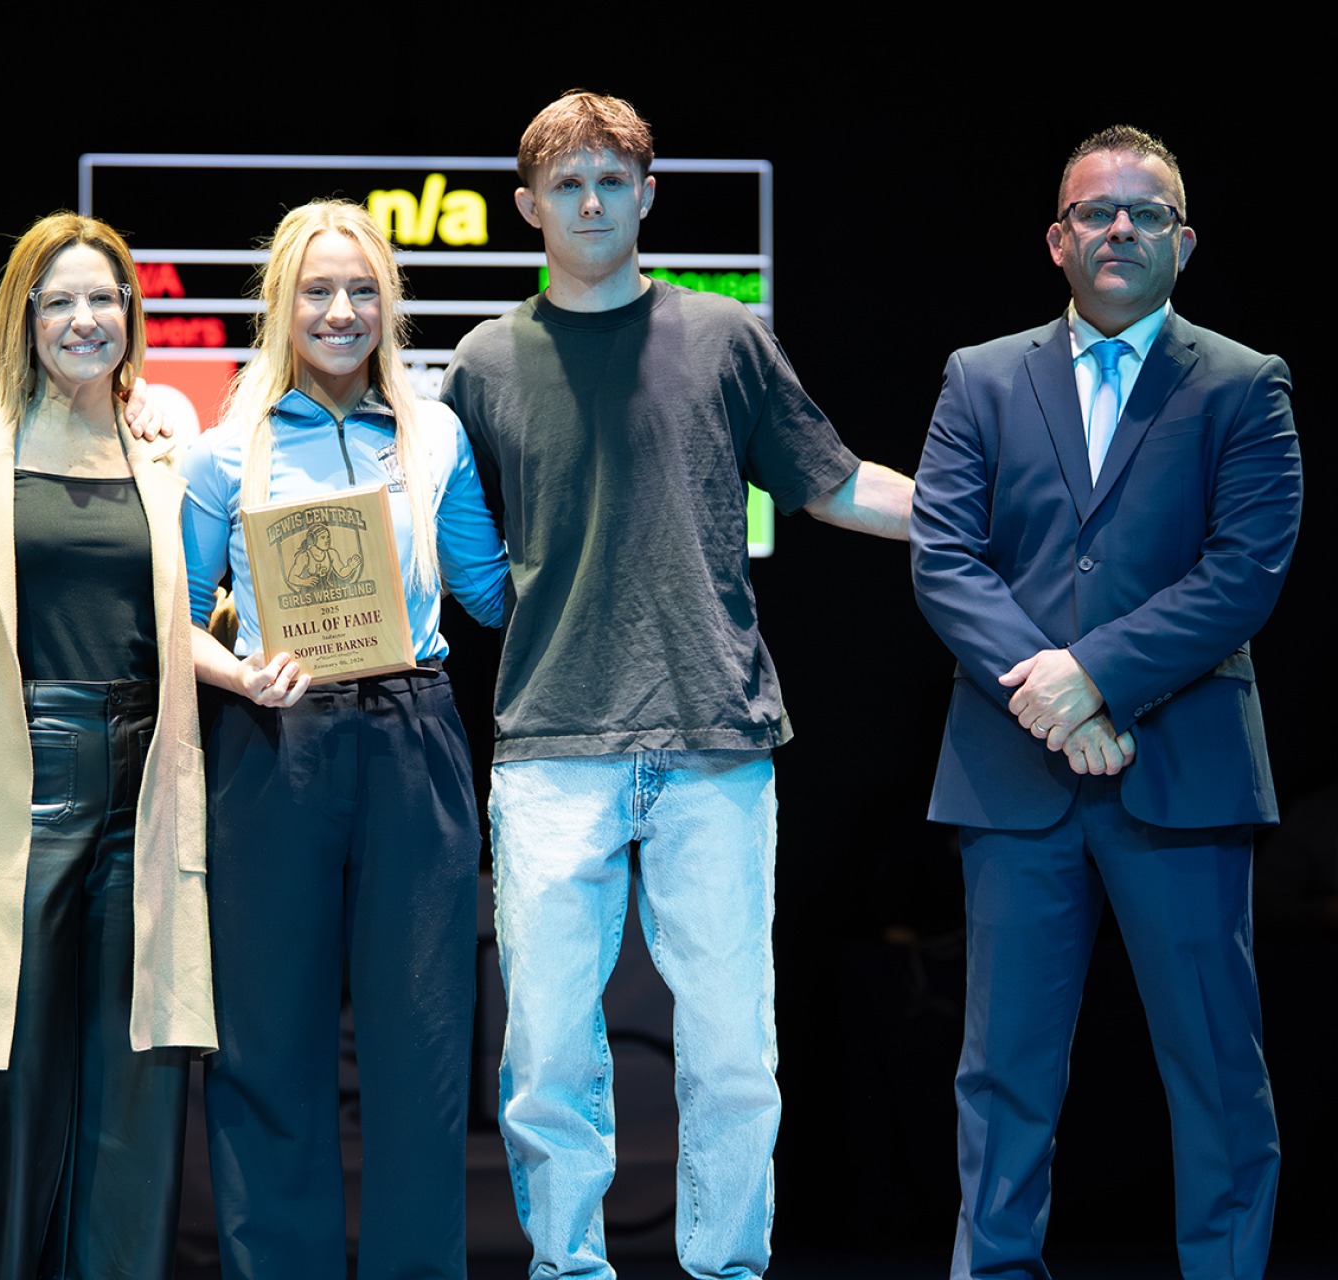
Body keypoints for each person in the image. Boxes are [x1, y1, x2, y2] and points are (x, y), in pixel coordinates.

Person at [438, 92, 914, 1280]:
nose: (590, 200)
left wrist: (985, 515)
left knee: (734, 1052)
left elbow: (830, 479)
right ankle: (568, 1266)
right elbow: (434, 539)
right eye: (568, 184)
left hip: (715, 734)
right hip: (550, 741)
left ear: (647, 195)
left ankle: (727, 1267)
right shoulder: (485, 362)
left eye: (612, 179)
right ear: (528, 205)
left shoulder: (724, 334)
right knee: (546, 1049)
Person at [910, 125, 1298, 1280]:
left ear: (1185, 240)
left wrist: (1097, 676)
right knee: (1004, 1073)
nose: (1118, 226)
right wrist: (1051, 691)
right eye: (1095, 211)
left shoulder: (1243, 380)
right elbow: (944, 554)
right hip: (1015, 772)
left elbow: (1248, 567)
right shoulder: (981, 374)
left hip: (1182, 769)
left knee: (1217, 1065)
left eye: (1145, 210)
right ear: (1056, 240)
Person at [181, 199, 508, 1279]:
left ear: (389, 305)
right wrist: (241, 669)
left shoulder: (437, 433)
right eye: (317, 290)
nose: (340, 310)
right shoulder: (225, 452)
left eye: (362, 289)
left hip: (414, 738)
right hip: (274, 744)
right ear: (279, 303)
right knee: (268, 1044)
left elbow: (490, 594)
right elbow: (171, 615)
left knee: (422, 1049)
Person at [0, 213, 214, 1280]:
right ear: (23, 318)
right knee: (13, 1087)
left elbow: (193, 611)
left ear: (132, 314)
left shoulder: (164, 441)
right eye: (61, 300)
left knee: (138, 1086)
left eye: (105, 298)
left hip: (146, 784)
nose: (86, 319)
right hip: (12, 783)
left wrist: (250, 658)